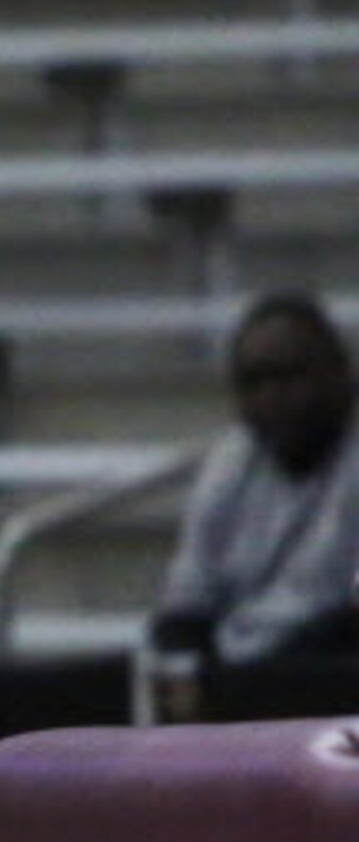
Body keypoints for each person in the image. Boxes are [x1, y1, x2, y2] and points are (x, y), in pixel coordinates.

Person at [150, 290, 359, 718]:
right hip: (243, 685)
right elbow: (185, 609)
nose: (272, 397)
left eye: (290, 376)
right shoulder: (232, 461)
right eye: (254, 382)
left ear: (342, 375)